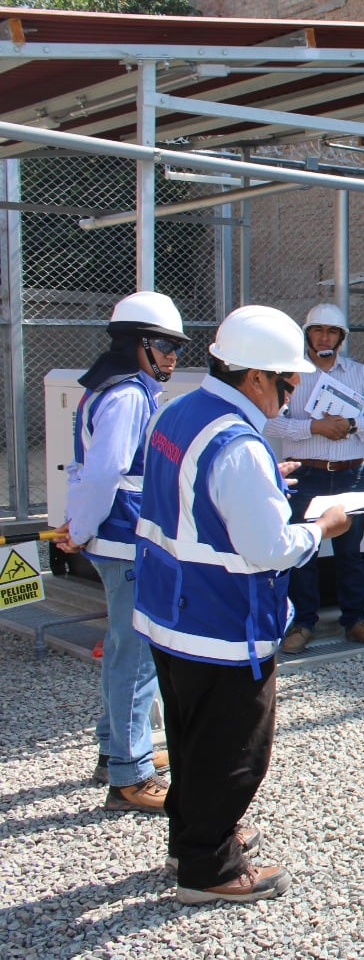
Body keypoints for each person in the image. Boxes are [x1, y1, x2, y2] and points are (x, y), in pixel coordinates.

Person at [132, 304, 350, 904]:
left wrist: (261, 479)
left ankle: (192, 838)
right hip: (222, 620)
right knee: (233, 751)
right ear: (255, 377)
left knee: (189, 737)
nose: (292, 391)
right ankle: (210, 869)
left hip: (169, 610)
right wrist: (323, 527)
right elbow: (269, 549)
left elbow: (190, 493)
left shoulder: (177, 411)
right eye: (287, 381)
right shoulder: (239, 446)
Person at [57, 291, 186, 813]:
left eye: (176, 347)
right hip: (126, 539)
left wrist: (78, 526)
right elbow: (107, 471)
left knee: (120, 647)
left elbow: (90, 472)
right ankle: (130, 776)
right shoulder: (130, 395)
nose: (172, 356)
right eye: (164, 345)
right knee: (135, 654)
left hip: (114, 536)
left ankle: (116, 750)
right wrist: (81, 529)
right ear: (136, 344)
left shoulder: (111, 388)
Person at [268, 303, 364, 654]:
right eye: (318, 330)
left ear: (341, 337)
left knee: (350, 552)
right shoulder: (291, 373)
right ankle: (303, 623)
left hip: (349, 473)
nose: (325, 337)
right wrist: (314, 427)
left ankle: (356, 620)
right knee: (302, 550)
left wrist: (351, 425)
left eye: (332, 332)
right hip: (306, 472)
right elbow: (270, 421)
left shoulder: (358, 373)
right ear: (307, 335)